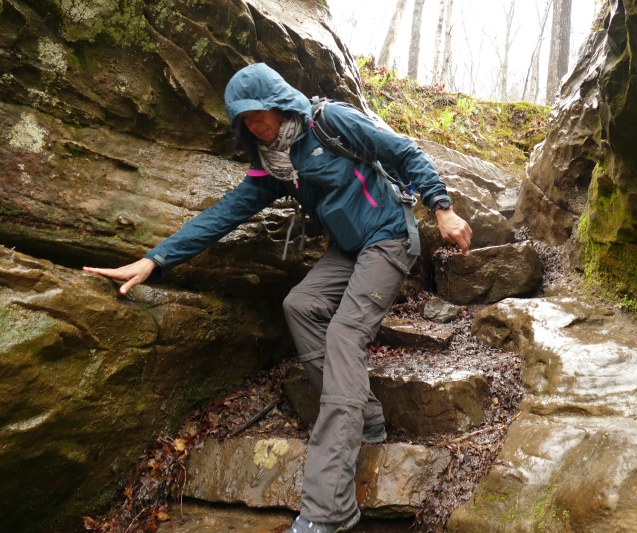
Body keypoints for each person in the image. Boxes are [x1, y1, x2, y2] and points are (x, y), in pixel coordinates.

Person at [83, 63, 472, 533]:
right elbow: (222, 214)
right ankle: (365, 415)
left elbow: (404, 152)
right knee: (299, 305)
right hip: (348, 248)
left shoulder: (329, 122)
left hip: (388, 238)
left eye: (258, 113)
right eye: (243, 120)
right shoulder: (274, 165)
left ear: (280, 102)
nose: (253, 124)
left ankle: (328, 509)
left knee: (346, 335)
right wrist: (155, 260)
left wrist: (443, 210)